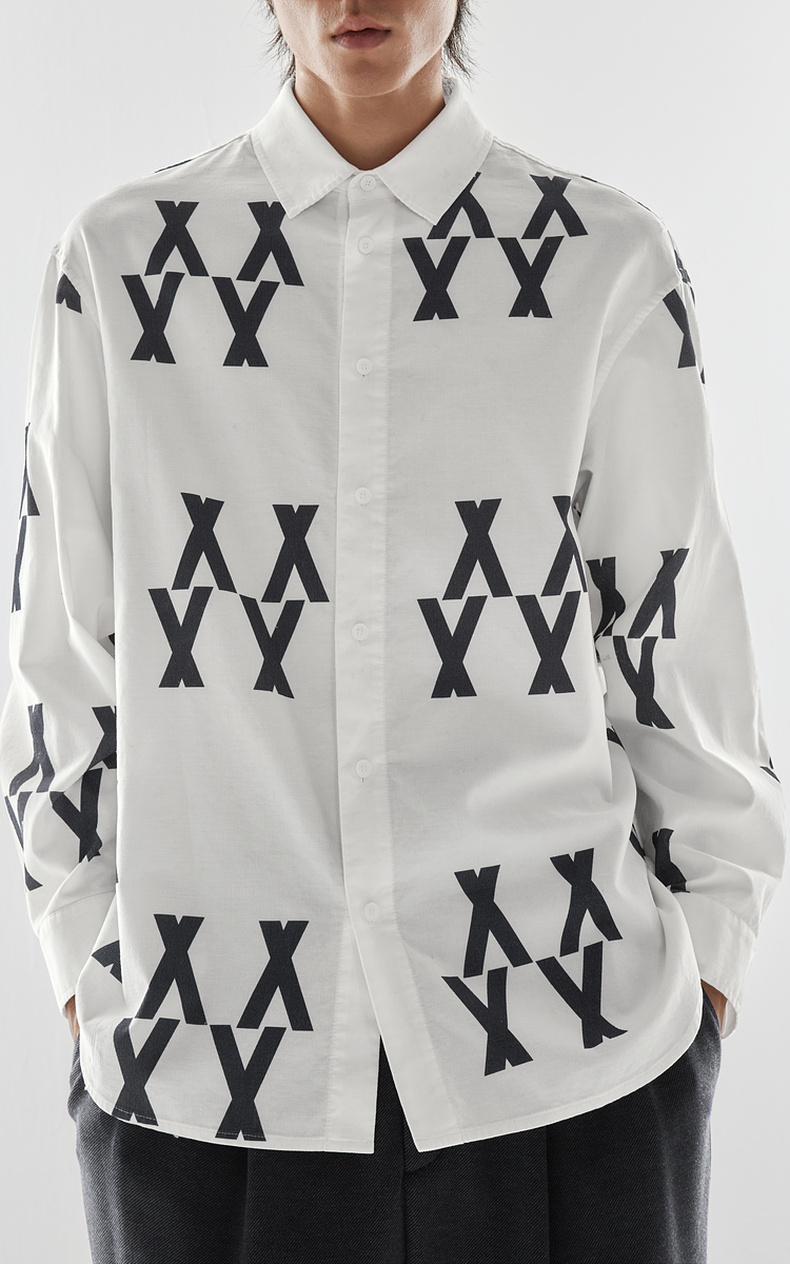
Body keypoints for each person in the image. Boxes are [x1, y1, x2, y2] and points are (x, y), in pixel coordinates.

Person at [0, 2, 785, 1261]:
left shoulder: (603, 259)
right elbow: (62, 646)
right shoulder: (122, 260)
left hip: (574, 1047)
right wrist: (81, 960)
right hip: (203, 1059)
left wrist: (708, 970)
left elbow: (671, 621)